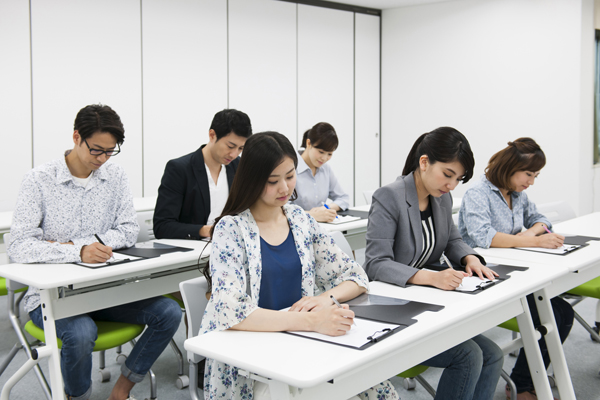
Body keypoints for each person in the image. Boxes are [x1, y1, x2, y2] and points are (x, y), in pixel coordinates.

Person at [200, 131, 399, 400]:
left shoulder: (299, 220)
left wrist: (323, 299)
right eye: (273, 181)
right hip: (252, 361)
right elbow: (229, 310)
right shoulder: (231, 229)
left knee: (371, 380)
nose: (285, 188)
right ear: (252, 180)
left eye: (290, 176)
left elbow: (356, 277)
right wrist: (311, 321)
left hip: (302, 343)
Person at [7, 104, 181, 400]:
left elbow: (128, 230)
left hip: (105, 289)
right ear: (76, 137)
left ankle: (121, 391)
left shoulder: (115, 176)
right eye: (96, 150)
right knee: (81, 332)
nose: (102, 159)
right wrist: (79, 251)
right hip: (53, 298)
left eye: (110, 152)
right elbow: (19, 245)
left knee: (169, 312)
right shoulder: (39, 180)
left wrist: (73, 245)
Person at [364, 127, 503, 400]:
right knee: (469, 356)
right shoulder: (389, 196)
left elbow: (452, 239)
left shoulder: (441, 197)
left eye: (458, 179)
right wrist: (430, 277)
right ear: (424, 162)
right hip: (394, 306)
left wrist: (470, 258)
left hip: (428, 302)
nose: (451, 185)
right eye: (447, 174)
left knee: (493, 355)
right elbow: (376, 264)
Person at [458, 137, 574, 400]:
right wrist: (534, 240)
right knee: (552, 316)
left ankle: (524, 382)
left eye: (535, 176)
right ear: (510, 167)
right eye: (528, 174)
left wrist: (532, 232)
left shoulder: (518, 194)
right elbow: (483, 237)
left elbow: (542, 220)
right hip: (484, 276)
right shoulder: (478, 193)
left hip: (514, 272)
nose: (530, 181)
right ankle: (523, 386)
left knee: (563, 312)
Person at [153, 109, 252, 239]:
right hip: (193, 247)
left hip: (230, 245)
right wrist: (206, 230)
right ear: (212, 135)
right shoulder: (179, 169)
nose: (234, 154)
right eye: (230, 146)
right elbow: (162, 227)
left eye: (240, 149)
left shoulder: (239, 167)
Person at [292, 122, 349, 222]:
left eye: (329, 154)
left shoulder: (325, 169)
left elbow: (344, 199)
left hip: (322, 227)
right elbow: (282, 209)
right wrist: (312, 215)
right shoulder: (292, 167)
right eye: (321, 152)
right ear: (308, 143)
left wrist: (325, 208)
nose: (324, 158)